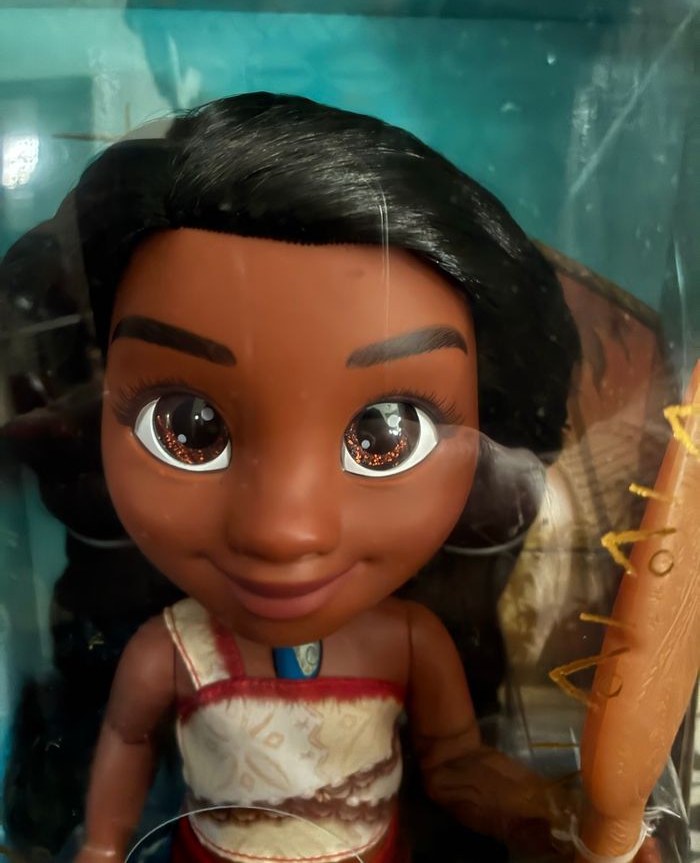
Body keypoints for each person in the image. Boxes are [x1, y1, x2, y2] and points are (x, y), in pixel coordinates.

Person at [3, 93, 592, 862]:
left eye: (386, 435)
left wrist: (546, 814)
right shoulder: (171, 648)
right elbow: (128, 736)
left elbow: (455, 761)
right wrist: (104, 846)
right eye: (188, 427)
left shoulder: (408, 640)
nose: (283, 530)